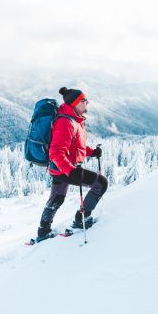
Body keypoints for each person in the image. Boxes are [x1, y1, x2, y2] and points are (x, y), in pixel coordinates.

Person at [36, 87, 108, 241]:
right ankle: (81, 219)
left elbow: (75, 147)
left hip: (60, 168)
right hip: (64, 168)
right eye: (83, 100)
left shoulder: (74, 120)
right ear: (75, 103)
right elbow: (56, 152)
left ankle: (43, 231)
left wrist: (91, 152)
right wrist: (71, 170)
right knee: (101, 183)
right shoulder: (66, 122)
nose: (87, 102)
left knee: (57, 198)